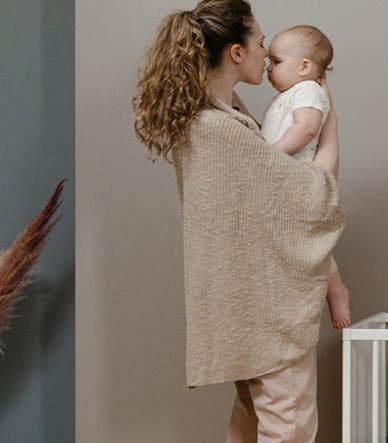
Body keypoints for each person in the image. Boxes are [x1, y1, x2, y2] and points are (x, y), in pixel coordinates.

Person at [132, 1, 344, 441]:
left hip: (243, 309)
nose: (266, 55)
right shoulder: (221, 130)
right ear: (235, 52)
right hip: (266, 313)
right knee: (288, 423)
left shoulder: (219, 122)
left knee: (252, 423)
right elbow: (309, 196)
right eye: (261, 44)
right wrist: (330, 128)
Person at [259, 24, 351, 330]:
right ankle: (333, 291)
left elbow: (307, 129)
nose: (269, 68)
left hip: (300, 183)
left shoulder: (308, 90)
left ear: (304, 66)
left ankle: (336, 293)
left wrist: (270, 154)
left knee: (312, 247)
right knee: (305, 247)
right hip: (284, 182)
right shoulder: (290, 93)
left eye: (276, 61)